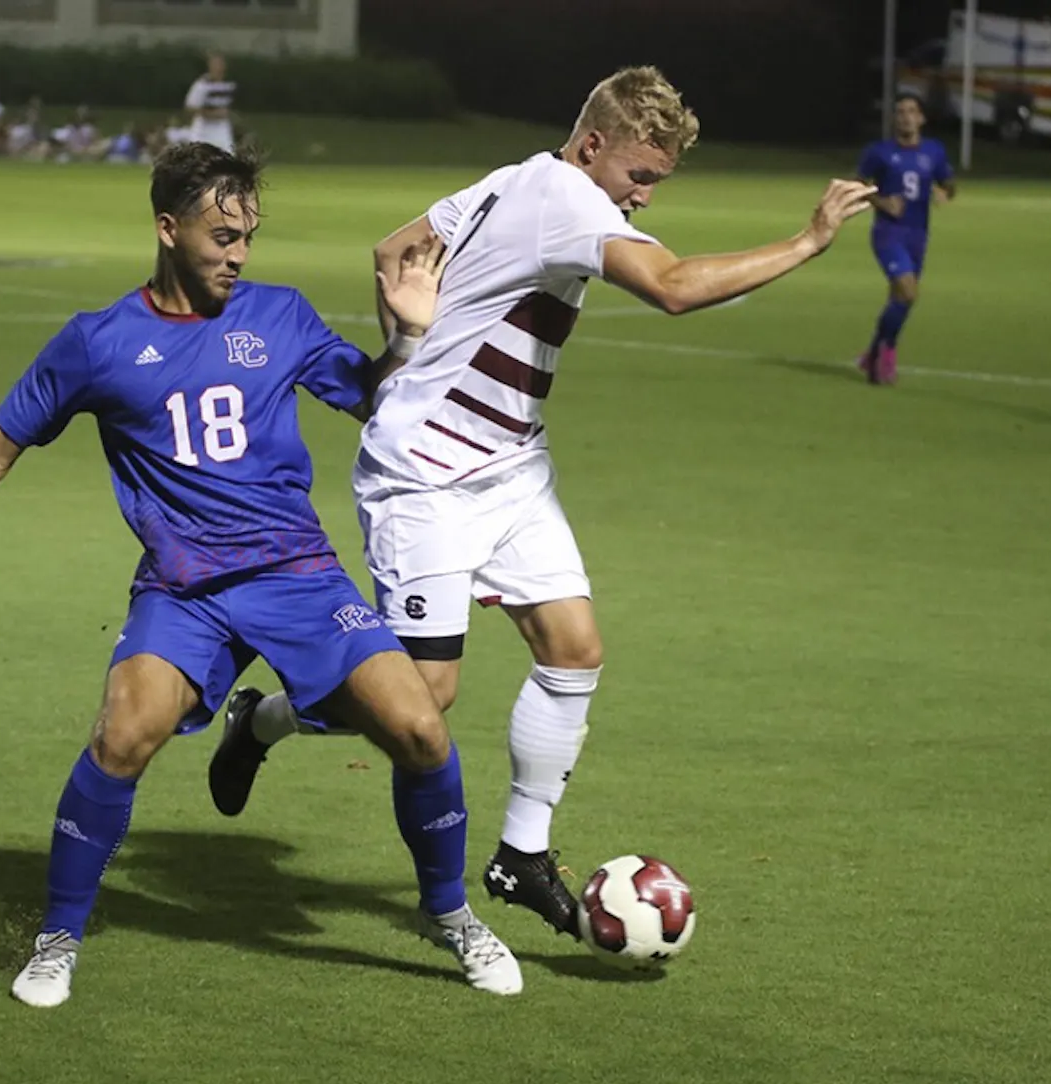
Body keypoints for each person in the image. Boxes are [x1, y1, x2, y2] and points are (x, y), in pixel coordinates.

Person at [0, 142, 522, 1005]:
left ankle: (450, 911)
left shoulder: (280, 314)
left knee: (421, 730)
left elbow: (373, 396)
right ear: (168, 228)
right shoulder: (98, 342)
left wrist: (408, 336)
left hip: (298, 573)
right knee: (123, 735)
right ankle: (57, 936)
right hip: (184, 586)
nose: (239, 255)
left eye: (249, 237)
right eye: (223, 236)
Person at [208, 66, 875, 937]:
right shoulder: (565, 198)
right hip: (426, 477)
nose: (644, 196)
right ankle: (261, 720)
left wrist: (407, 341)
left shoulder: (517, 176)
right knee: (423, 697)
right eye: (640, 174)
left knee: (574, 648)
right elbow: (673, 288)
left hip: (512, 466)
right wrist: (808, 241)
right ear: (593, 146)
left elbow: (395, 248)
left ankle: (521, 854)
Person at [855, 93, 956, 386]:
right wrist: (882, 202)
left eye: (911, 111)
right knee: (909, 293)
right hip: (888, 233)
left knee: (900, 299)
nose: (906, 117)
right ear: (894, 119)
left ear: (921, 118)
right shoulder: (879, 152)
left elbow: (949, 183)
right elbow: (858, 185)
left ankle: (872, 353)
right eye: (900, 112)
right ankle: (886, 354)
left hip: (918, 235)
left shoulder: (934, 151)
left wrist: (944, 192)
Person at [185, 53, 237, 154]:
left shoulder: (229, 84)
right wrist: (210, 114)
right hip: (203, 131)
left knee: (227, 156)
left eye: (220, 64)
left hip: (222, 129)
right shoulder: (201, 85)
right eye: (215, 64)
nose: (218, 67)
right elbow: (190, 107)